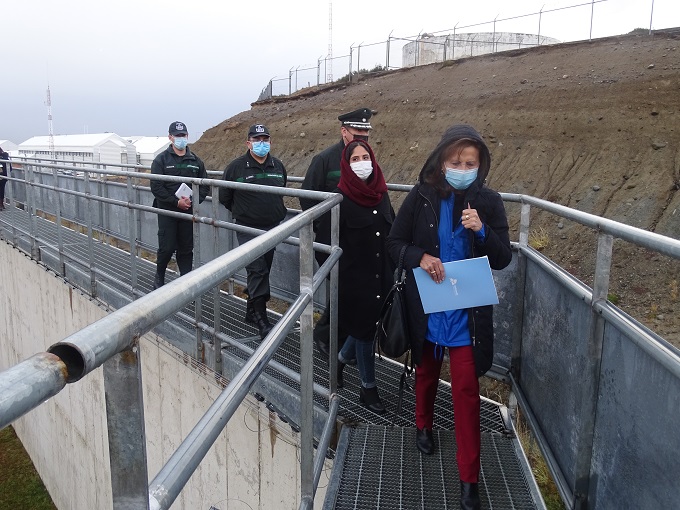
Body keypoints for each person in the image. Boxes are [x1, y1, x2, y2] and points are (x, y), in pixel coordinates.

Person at [386, 124, 512, 510]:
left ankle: (469, 479)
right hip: (428, 303)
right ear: (441, 161)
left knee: (466, 393)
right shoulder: (421, 197)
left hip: (467, 314)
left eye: (469, 162)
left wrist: (484, 230)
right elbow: (394, 243)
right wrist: (420, 258)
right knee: (425, 372)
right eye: (455, 161)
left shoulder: (488, 202)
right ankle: (422, 423)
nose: (462, 167)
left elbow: (503, 258)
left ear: (480, 165)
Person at [300, 107, 373, 358]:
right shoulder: (324, 160)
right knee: (341, 288)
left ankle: (339, 340)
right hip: (332, 238)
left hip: (359, 237)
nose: (362, 139)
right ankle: (325, 336)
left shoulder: (366, 159)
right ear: (344, 132)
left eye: (366, 134)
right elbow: (308, 197)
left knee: (351, 289)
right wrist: (324, 228)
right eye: (357, 133)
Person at [334, 139, 394, 414]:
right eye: (355, 159)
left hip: (382, 277)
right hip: (355, 281)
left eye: (365, 157)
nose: (361, 163)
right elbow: (326, 244)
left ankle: (340, 360)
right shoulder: (340, 199)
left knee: (364, 328)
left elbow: (391, 233)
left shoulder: (382, 195)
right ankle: (367, 389)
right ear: (347, 164)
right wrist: (341, 276)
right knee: (366, 332)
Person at [219, 124, 287, 340]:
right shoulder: (236, 167)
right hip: (248, 228)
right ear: (248, 143)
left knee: (264, 268)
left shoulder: (277, 165)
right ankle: (261, 319)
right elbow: (224, 196)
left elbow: (281, 191)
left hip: (272, 227)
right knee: (257, 269)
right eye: (257, 139)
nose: (261, 143)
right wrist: (244, 211)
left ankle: (251, 310)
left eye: (265, 139)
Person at [150, 121, 209, 289]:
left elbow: (204, 185)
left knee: (186, 248)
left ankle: (185, 283)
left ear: (187, 136)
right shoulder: (161, 160)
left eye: (183, 135)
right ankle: (159, 276)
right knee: (167, 247)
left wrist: (194, 201)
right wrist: (175, 202)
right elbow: (156, 187)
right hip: (167, 211)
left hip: (187, 211)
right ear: (170, 137)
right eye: (177, 136)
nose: (181, 138)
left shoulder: (195, 161)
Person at [0, 146, 11, 211]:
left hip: (2, 175)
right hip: (4, 176)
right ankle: (1, 204)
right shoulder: (5, 157)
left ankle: (1, 204)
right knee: (1, 189)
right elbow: (10, 168)